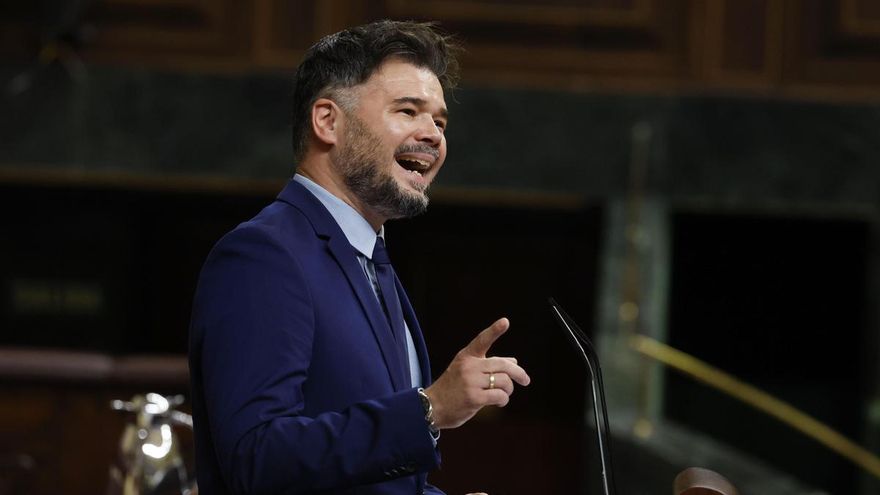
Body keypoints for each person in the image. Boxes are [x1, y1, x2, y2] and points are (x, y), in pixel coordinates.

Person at [188, 20, 530, 495]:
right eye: (408, 110)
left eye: (440, 121)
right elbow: (256, 458)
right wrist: (429, 409)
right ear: (328, 121)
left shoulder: (372, 262)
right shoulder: (264, 256)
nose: (432, 134)